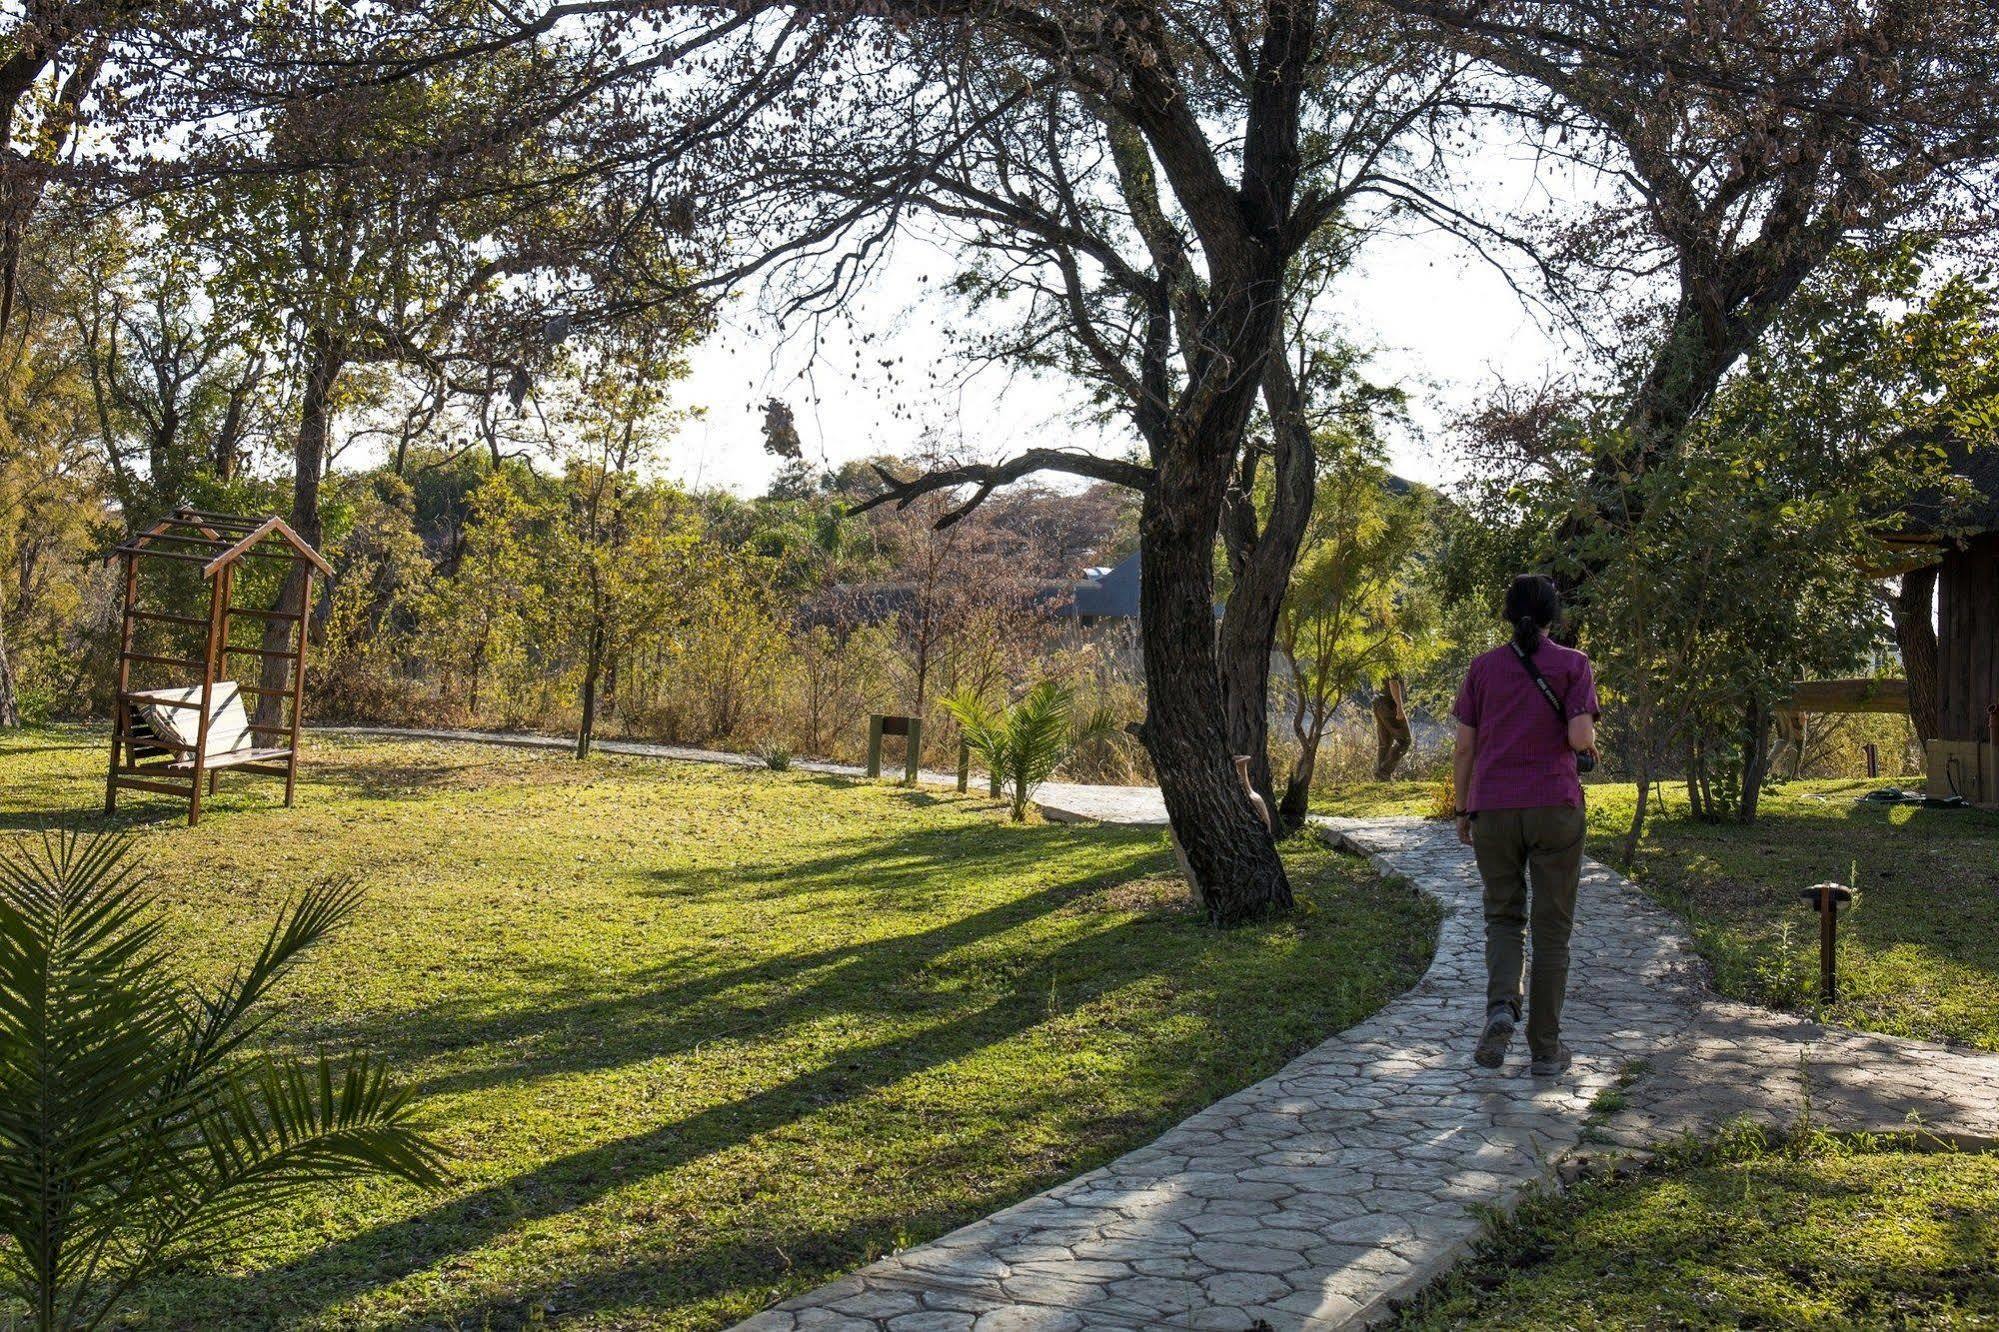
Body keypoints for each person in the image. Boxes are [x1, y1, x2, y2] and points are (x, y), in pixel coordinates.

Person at [1450, 574, 1599, 1077]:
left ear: (1507, 614)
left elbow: (1465, 746)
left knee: (1503, 918)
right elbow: (1579, 737)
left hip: (1492, 807)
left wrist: (1462, 807)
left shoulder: (1482, 669)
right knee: (1553, 931)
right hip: (1554, 807)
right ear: (1554, 615)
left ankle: (1500, 1010)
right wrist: (1590, 745)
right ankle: (1545, 1050)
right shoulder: (1573, 665)